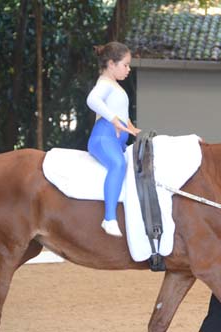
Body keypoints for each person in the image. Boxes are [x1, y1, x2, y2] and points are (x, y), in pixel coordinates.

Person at [87, 41, 141, 237]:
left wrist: (128, 124)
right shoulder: (104, 84)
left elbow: (117, 109)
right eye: (125, 65)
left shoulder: (114, 86)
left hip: (116, 139)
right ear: (111, 64)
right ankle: (109, 218)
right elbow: (92, 100)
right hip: (104, 137)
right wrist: (114, 120)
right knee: (118, 165)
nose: (128, 69)